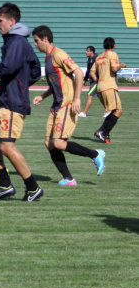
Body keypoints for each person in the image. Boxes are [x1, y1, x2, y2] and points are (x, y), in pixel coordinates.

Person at [0, 2, 44, 202]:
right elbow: (35, 69)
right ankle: (5, 186)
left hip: (13, 103)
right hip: (6, 100)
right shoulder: (15, 41)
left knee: (6, 146)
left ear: (12, 21)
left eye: (0, 21)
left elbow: (7, 68)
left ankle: (33, 188)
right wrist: (22, 83)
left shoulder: (16, 42)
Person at [32, 26, 105, 186]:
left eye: (36, 41)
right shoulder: (48, 58)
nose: (35, 44)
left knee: (58, 143)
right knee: (49, 143)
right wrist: (42, 97)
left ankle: (95, 154)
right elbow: (55, 84)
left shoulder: (59, 54)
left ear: (45, 39)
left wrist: (77, 98)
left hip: (67, 105)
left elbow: (78, 72)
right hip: (56, 106)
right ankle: (68, 178)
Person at [90, 37, 126, 143]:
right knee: (119, 111)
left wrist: (98, 81)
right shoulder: (112, 54)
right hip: (109, 86)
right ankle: (103, 132)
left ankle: (103, 133)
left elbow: (91, 73)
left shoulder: (99, 57)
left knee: (114, 111)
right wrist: (121, 65)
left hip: (100, 88)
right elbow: (114, 68)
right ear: (114, 45)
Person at [79, 46, 98, 118]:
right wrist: (85, 80)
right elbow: (88, 70)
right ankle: (109, 111)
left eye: (87, 51)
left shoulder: (96, 59)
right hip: (93, 81)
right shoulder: (89, 60)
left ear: (91, 52)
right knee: (102, 98)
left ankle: (84, 113)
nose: (86, 52)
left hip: (96, 81)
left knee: (89, 95)